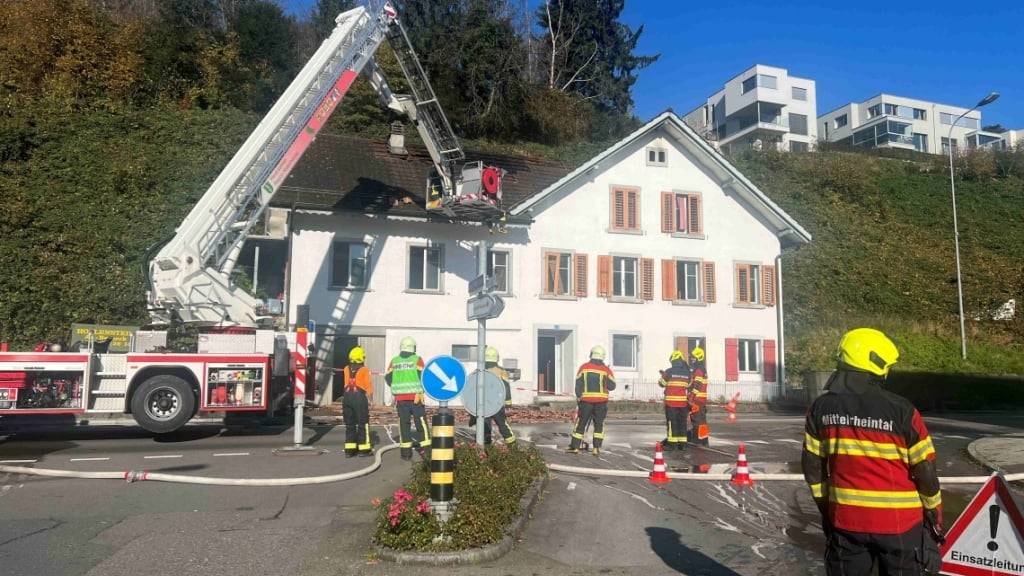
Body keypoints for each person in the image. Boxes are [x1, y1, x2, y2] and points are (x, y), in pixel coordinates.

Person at [802, 328, 943, 576]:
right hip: (900, 525)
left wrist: (827, 509)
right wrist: (934, 514)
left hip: (845, 522)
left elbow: (812, 469)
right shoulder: (902, 411)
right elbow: (925, 470)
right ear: (878, 365)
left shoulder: (820, 408)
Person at [385, 336, 429, 461]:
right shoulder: (417, 360)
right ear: (413, 348)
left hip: (400, 399)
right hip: (416, 398)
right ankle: (427, 452)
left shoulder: (395, 361)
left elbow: (388, 378)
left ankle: (406, 454)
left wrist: (397, 386)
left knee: (404, 425)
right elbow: (424, 376)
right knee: (421, 424)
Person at [567, 345, 615, 456]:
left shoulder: (584, 367)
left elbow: (578, 384)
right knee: (599, 425)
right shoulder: (606, 370)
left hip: (586, 402)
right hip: (601, 403)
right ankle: (596, 448)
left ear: (591, 354)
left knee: (581, 424)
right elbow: (612, 386)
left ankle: (575, 447)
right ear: (602, 356)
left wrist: (579, 396)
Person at [468, 346, 516, 446]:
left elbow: (471, 389)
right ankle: (513, 447)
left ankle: (487, 448)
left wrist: (471, 410)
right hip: (497, 404)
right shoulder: (501, 371)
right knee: (502, 425)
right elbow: (506, 388)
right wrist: (508, 404)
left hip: (482, 404)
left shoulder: (478, 371)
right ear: (497, 358)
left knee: (485, 426)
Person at [340, 346, 373, 457]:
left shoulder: (346, 368)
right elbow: (368, 386)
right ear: (361, 358)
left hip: (347, 398)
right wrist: (371, 400)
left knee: (350, 424)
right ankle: (364, 450)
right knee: (363, 424)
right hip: (359, 398)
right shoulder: (364, 370)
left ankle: (349, 451)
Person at [658, 350, 691, 450]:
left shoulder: (669, 371)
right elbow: (689, 385)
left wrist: (662, 375)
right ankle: (683, 445)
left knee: (672, 423)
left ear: (672, 360)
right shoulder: (687, 373)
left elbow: (662, 383)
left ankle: (672, 445)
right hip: (683, 404)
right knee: (682, 423)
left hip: (671, 404)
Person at [687, 346, 709, 447]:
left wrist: (691, 398)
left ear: (698, 357)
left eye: (693, 357)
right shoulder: (701, 368)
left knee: (696, 421)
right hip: (701, 400)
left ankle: (697, 441)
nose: (691, 359)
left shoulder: (698, 370)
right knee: (702, 422)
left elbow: (697, 385)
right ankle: (704, 440)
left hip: (697, 400)